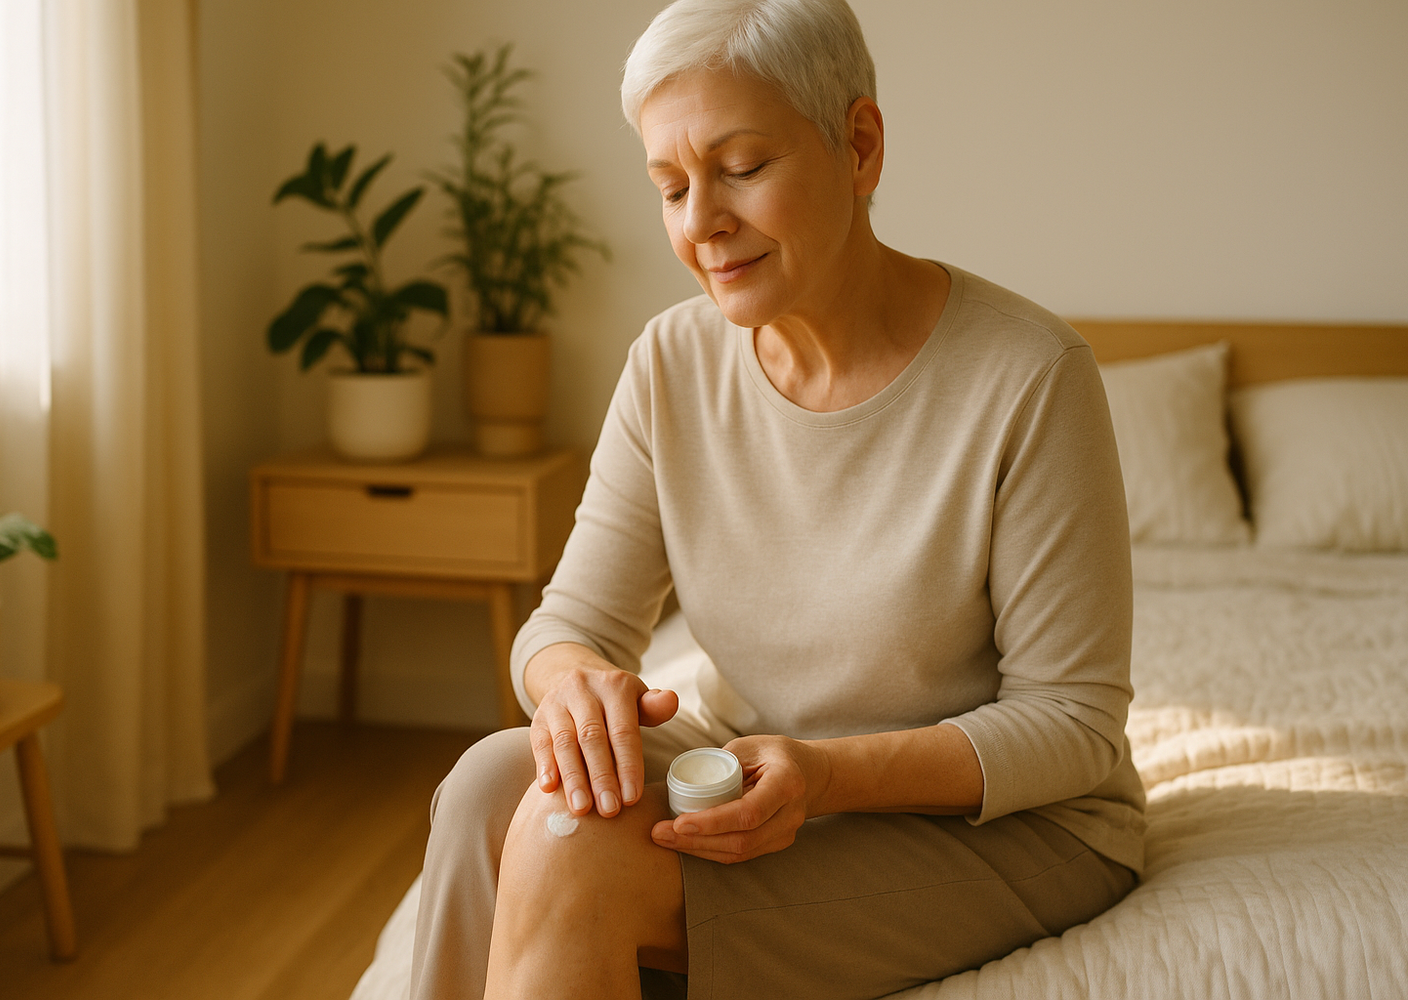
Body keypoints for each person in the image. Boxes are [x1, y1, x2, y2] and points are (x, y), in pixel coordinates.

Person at [408, 2, 1144, 998]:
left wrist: (830, 774)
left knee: (567, 848)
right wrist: (572, 682)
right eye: (671, 187)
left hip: (1003, 824)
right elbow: (567, 626)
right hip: (750, 766)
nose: (701, 221)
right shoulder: (671, 362)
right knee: (489, 787)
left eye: (741, 167)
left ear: (860, 144)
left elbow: (1074, 723)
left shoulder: (1028, 374)